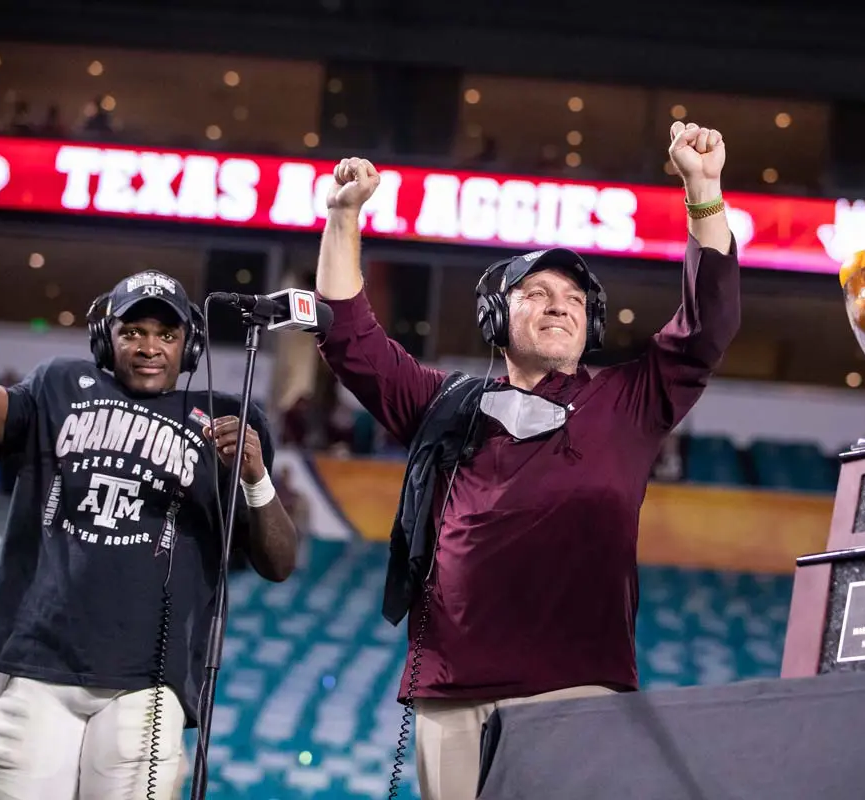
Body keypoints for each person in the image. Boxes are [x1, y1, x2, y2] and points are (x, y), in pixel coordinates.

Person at [315, 120, 741, 799]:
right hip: (450, 692)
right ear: (495, 319)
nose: (560, 306)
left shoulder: (628, 403)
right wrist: (342, 218)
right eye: (538, 293)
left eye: (575, 300)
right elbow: (349, 338)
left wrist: (704, 191)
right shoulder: (445, 403)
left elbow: (707, 325)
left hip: (577, 689)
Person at [0, 236, 299, 800]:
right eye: (134, 332)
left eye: (167, 335)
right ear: (106, 338)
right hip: (42, 663)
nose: (150, 347)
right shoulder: (60, 387)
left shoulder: (227, 419)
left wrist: (255, 477)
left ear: (189, 348)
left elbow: (279, 562)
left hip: (143, 682)